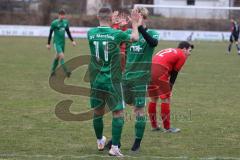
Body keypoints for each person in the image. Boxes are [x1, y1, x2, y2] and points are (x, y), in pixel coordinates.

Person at [87, 7, 141, 157]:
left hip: (96, 80)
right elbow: (135, 38)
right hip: (112, 80)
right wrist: (135, 24)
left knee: (97, 112)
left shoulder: (90, 33)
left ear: (98, 16)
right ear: (111, 17)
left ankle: (99, 140)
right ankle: (115, 147)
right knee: (118, 113)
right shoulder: (116, 34)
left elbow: (105, 34)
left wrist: (114, 23)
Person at [122, 6, 159, 152]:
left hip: (140, 79)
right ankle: (116, 138)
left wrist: (140, 27)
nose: (133, 17)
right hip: (126, 77)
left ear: (143, 17)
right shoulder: (129, 33)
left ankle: (137, 143)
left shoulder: (152, 33)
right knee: (120, 109)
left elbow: (153, 43)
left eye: (136, 15)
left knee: (138, 110)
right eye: (132, 15)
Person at [147, 41, 194, 133]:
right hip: (160, 72)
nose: (190, 53)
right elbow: (174, 73)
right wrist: (170, 88)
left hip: (149, 71)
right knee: (166, 100)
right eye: (189, 50)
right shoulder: (181, 55)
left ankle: (154, 126)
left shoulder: (170, 50)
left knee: (153, 99)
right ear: (184, 49)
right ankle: (167, 128)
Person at [46, 9, 76, 77]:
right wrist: (48, 43)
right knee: (61, 56)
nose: (63, 16)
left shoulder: (65, 22)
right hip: (56, 43)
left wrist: (72, 41)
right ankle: (67, 71)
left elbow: (68, 32)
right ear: (59, 15)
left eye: (64, 15)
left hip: (63, 43)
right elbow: (50, 34)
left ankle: (52, 71)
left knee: (57, 57)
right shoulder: (54, 23)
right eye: (62, 15)